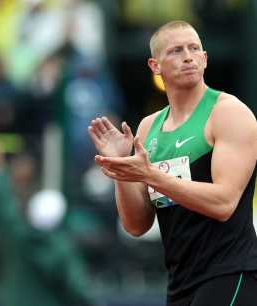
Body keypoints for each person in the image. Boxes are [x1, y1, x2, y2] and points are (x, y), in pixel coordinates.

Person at [88, 20, 257, 306]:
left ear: (204, 59)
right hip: (180, 281)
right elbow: (136, 224)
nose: (188, 56)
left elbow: (224, 203)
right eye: (176, 50)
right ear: (155, 66)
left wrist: (151, 175)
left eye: (194, 49)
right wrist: (121, 167)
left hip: (231, 273)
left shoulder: (228, 113)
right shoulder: (148, 128)